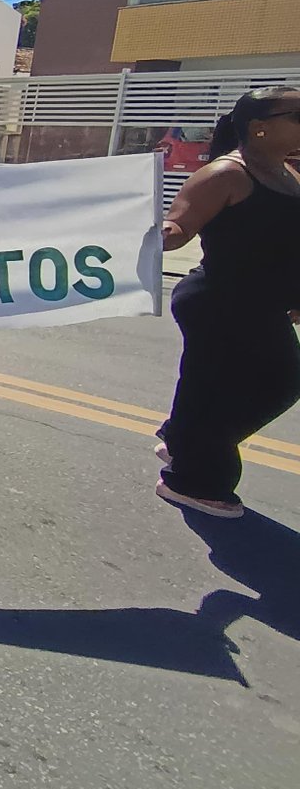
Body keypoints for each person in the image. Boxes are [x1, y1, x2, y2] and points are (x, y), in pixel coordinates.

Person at [156, 86, 300, 519]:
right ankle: (190, 480)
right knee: (277, 382)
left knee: (207, 387)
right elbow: (178, 227)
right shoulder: (225, 175)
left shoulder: (287, 174)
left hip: (260, 305)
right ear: (259, 128)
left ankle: (184, 441)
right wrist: (143, 232)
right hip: (221, 305)